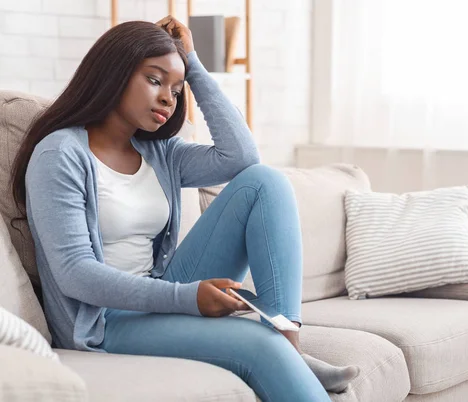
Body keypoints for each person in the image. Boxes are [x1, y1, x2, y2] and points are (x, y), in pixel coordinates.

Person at [10, 16, 360, 401]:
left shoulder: (159, 152)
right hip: (105, 320)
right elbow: (76, 275)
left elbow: (241, 157)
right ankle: (284, 356)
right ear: (114, 72)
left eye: (176, 90)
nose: (167, 98)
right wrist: (187, 297)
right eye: (155, 80)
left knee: (265, 182)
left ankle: (289, 345)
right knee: (259, 346)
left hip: (161, 290)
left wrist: (192, 64)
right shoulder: (60, 155)